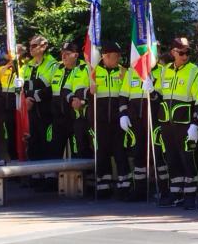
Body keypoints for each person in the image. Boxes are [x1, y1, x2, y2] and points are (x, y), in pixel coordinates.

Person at [148, 37, 198, 209]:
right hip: (167, 123)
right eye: (181, 52)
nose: (185, 55)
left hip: (185, 123)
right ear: (173, 52)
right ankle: (175, 193)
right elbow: (159, 97)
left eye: (187, 52)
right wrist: (150, 90)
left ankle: (190, 194)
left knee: (187, 159)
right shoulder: (166, 70)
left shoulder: (194, 71)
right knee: (171, 159)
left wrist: (196, 123)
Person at [75, 41, 130, 196]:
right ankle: (103, 187)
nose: (118, 59)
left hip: (118, 119)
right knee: (101, 152)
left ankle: (124, 187)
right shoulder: (92, 71)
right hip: (98, 120)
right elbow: (78, 91)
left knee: (120, 152)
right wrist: (89, 91)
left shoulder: (123, 72)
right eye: (115, 56)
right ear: (105, 56)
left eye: (119, 56)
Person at [119, 58, 170, 202]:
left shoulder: (162, 71)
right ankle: (140, 190)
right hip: (136, 121)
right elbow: (123, 96)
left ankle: (164, 190)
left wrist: (152, 90)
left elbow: (162, 98)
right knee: (138, 154)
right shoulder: (131, 71)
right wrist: (123, 114)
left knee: (159, 155)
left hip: (155, 120)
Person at [20, 35, 58, 161]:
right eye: (30, 45)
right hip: (31, 110)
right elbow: (23, 86)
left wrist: (32, 97)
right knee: (33, 142)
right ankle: (35, 177)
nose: (31, 48)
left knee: (46, 142)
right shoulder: (27, 66)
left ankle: (49, 177)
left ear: (44, 46)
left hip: (46, 110)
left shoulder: (52, 64)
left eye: (34, 45)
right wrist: (27, 99)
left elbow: (48, 86)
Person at [50, 41, 89, 159]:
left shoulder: (84, 68)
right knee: (55, 149)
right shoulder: (57, 68)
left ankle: (84, 175)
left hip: (76, 117)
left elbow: (88, 90)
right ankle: (53, 177)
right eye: (62, 53)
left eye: (67, 53)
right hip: (58, 118)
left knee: (78, 150)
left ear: (76, 55)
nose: (63, 56)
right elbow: (51, 89)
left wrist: (82, 101)